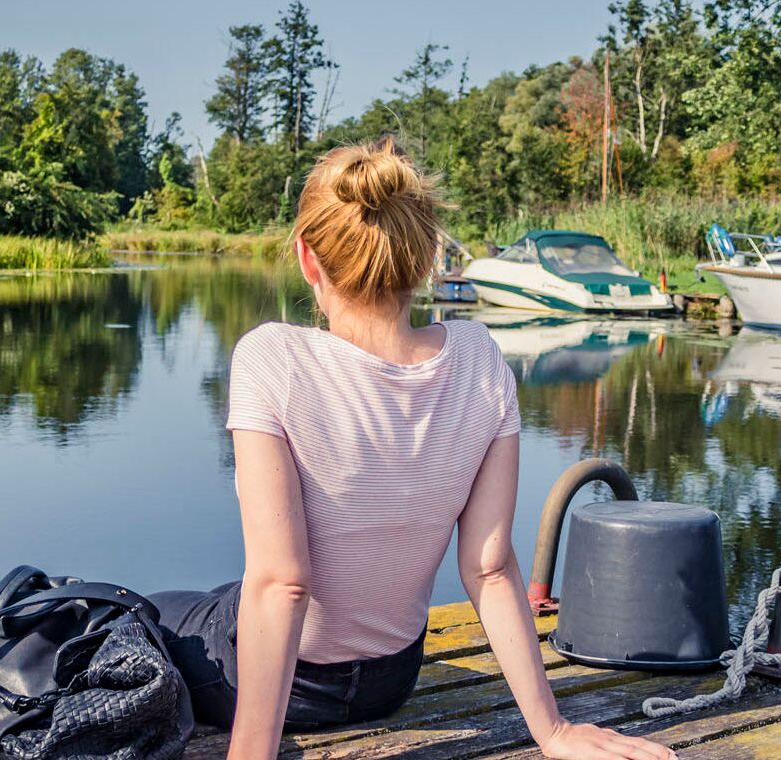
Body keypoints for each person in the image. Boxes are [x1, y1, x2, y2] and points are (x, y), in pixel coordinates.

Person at [149, 137, 675, 760]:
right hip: (389, 680)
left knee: (144, 614)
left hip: (278, 684)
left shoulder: (272, 357)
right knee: (213, 599)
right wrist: (552, 732)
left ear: (307, 258)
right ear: (426, 259)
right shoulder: (479, 357)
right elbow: (488, 567)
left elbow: (285, 583)